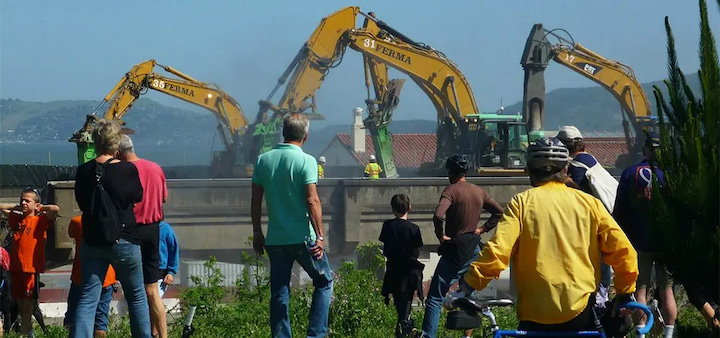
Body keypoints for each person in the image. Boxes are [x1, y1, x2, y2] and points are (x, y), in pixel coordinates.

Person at [449, 137, 639, 334]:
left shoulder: (521, 204)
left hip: (534, 313)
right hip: (580, 311)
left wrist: (466, 286)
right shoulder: (589, 204)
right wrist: (625, 292)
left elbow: (497, 252)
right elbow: (623, 251)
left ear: (529, 170)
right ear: (566, 169)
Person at [251, 113, 333, 338]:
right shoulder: (307, 160)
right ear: (306, 135)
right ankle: (315, 334)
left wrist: (258, 232)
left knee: (279, 290)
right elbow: (312, 200)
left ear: (283, 132)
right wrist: (320, 236)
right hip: (303, 238)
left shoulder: (263, 160)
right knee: (324, 281)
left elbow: (255, 201)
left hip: (275, 239)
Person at [73, 119, 150, 338]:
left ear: (95, 142)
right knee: (136, 295)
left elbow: (82, 202)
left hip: (93, 238)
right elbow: (137, 196)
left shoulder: (84, 171)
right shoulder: (127, 169)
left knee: (88, 297)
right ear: (116, 142)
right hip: (124, 238)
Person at [420, 154, 504, 338]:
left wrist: (441, 236)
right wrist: (482, 229)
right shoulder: (478, 191)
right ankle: (468, 335)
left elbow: (439, 215)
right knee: (467, 292)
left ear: (451, 172)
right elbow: (499, 211)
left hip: (455, 247)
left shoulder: (451, 191)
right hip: (473, 247)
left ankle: (428, 335)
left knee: (435, 296)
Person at [613, 133, 676, 338]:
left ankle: (640, 332)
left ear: (645, 150)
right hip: (666, 239)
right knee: (667, 289)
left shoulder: (631, 173)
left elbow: (620, 209)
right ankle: (668, 333)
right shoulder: (671, 173)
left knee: (640, 289)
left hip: (639, 239)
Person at [557, 125, 614, 305]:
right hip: (607, 213)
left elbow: (581, 191)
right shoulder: (591, 158)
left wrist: (565, 180)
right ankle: (602, 292)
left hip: (591, 219)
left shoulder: (576, 164)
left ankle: (597, 297)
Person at [119, 134, 169, 338]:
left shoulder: (123, 171)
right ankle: (163, 335)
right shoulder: (155, 167)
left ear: (118, 152)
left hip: (133, 230)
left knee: (134, 289)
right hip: (153, 229)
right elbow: (164, 197)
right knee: (152, 289)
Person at [0, 188, 58, 337]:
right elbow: (2, 208)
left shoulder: (40, 221)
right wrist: (19, 207)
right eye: (22, 200)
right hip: (16, 268)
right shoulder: (18, 219)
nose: (24, 202)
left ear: (36, 205)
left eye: (27, 200)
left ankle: (27, 333)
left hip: (30, 268)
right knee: (19, 303)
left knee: (27, 305)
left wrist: (39, 207)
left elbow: (54, 209)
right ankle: (28, 331)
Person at [379, 194, 424, 338]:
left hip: (393, 271)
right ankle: (406, 329)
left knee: (400, 304)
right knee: (406, 305)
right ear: (409, 208)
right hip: (410, 272)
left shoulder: (387, 225)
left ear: (393, 209)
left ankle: (404, 329)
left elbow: (386, 248)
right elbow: (416, 251)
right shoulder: (414, 228)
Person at [65, 216, 117, 338]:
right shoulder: (113, 221)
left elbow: (71, 234)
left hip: (81, 275)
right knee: (100, 321)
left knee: (75, 315)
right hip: (106, 277)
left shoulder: (77, 221)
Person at [156, 221, 178, 300]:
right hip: (142, 270)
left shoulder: (165, 229)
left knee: (154, 300)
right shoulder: (139, 227)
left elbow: (173, 250)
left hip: (160, 271)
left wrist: (171, 272)